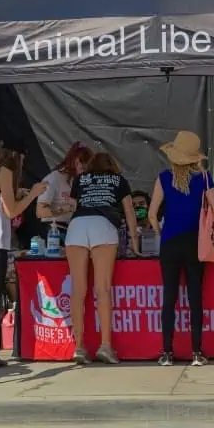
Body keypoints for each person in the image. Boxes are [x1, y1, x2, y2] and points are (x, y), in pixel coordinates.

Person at [148, 131, 214, 367]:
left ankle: (166, 352)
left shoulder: (163, 177)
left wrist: (161, 233)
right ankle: (197, 352)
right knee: (195, 297)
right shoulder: (205, 179)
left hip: (170, 242)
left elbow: (151, 214)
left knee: (169, 297)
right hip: (195, 242)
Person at [0, 141, 47, 369]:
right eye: (22, 160)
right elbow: (11, 211)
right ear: (15, 155)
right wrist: (33, 194)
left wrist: (17, 193)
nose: (21, 165)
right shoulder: (4, 170)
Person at [66, 152, 136, 365]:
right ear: (112, 166)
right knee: (103, 289)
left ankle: (79, 347)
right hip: (104, 226)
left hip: (77, 226)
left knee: (78, 291)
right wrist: (135, 242)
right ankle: (105, 345)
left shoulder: (81, 179)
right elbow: (130, 211)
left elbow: (71, 207)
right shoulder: (119, 180)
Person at [36, 142, 94, 240]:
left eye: (88, 169)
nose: (84, 172)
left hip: (76, 230)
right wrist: (68, 208)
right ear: (73, 163)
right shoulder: (54, 178)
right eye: (82, 168)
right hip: (54, 231)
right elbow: (40, 211)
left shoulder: (85, 180)